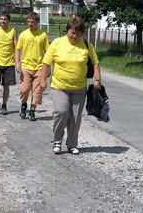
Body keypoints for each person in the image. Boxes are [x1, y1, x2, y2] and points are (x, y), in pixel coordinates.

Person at [40, 17, 102, 155]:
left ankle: (72, 144)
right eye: (72, 33)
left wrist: (98, 80)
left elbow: (95, 63)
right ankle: (57, 140)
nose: (74, 36)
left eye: (78, 34)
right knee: (61, 112)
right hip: (59, 86)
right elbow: (46, 62)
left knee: (75, 117)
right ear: (67, 30)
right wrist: (43, 79)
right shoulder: (57, 43)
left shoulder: (87, 45)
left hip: (79, 88)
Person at [15, 12, 49, 121]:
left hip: (39, 67)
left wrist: (47, 69)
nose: (30, 24)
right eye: (28, 22)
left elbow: (47, 52)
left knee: (37, 91)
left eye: (32, 22)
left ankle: (33, 111)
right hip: (26, 66)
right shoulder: (24, 34)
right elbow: (17, 49)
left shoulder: (43, 35)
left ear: (37, 22)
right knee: (24, 89)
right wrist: (17, 63)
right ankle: (24, 105)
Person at [0, 12, 18, 115]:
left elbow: (16, 47)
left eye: (5, 19)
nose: (3, 21)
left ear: (8, 21)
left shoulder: (13, 31)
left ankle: (4, 105)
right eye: (1, 19)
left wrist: (17, 62)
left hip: (9, 62)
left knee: (6, 85)